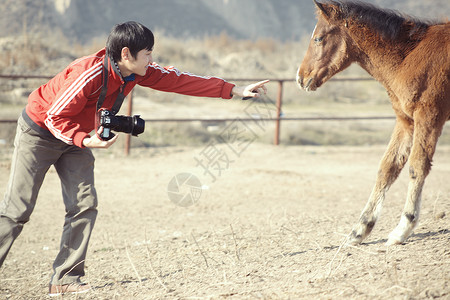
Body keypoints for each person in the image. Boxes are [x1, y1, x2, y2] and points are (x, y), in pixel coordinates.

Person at [0, 21, 269, 296]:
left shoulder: (136, 72)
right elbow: (54, 116)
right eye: (148, 53)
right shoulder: (88, 73)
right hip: (40, 132)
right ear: (126, 54)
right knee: (17, 210)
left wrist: (233, 90)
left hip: (78, 136)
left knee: (84, 204)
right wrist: (84, 139)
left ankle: (65, 279)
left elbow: (180, 80)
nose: (151, 59)